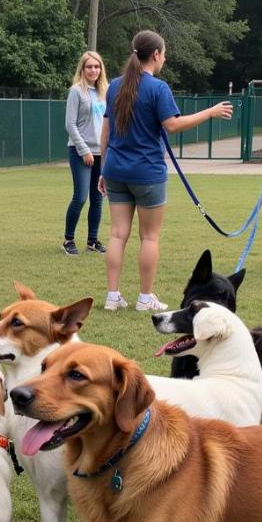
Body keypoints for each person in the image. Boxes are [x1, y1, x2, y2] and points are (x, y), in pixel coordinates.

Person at [100, 30, 233, 311]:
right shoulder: (158, 88)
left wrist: (103, 169)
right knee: (149, 237)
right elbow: (172, 124)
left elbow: (106, 130)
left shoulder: (114, 86)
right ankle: (145, 298)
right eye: (164, 53)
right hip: (147, 171)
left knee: (116, 234)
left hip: (115, 169)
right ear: (156, 54)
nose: (165, 58)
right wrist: (209, 112)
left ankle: (112, 297)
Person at [63, 51, 109, 256]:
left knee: (98, 198)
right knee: (80, 197)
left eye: (97, 66)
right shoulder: (76, 91)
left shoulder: (105, 91)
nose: (93, 70)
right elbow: (70, 124)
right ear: (82, 69)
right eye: (89, 66)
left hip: (101, 152)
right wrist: (84, 150)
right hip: (80, 151)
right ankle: (68, 240)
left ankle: (92, 240)